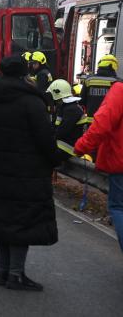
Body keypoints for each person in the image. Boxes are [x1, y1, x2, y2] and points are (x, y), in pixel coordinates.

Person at [0, 55, 58, 292]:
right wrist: (54, 161)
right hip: (28, 171)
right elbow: (45, 138)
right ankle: (16, 275)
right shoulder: (31, 102)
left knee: (3, 218)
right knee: (22, 221)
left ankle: (3, 272)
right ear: (25, 74)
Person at [75, 81, 123, 254]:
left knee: (119, 208)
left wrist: (81, 146)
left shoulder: (120, 91)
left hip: (120, 162)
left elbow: (102, 124)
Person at [46, 79, 86, 164]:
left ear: (57, 94)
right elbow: (56, 127)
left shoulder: (71, 110)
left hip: (68, 149)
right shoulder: (65, 107)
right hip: (63, 146)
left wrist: (50, 138)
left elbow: (63, 131)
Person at [80, 54, 119, 121]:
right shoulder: (118, 82)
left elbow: (82, 100)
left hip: (91, 121)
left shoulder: (89, 80)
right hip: (109, 122)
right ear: (114, 66)